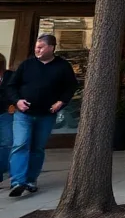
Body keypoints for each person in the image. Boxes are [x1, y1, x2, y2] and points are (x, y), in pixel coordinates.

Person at [8, 34, 78, 197]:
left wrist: (61, 101)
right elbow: (12, 86)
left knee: (37, 148)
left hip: (46, 115)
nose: (37, 50)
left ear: (51, 47)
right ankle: (17, 181)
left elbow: (71, 86)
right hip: (23, 114)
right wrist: (17, 101)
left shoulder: (62, 66)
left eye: (41, 47)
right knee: (20, 144)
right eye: (36, 47)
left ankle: (31, 180)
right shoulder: (27, 65)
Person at [0, 54, 15, 186]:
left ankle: (6, 171)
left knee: (7, 141)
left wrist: (13, 103)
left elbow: (13, 91)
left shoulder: (9, 76)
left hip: (6, 112)